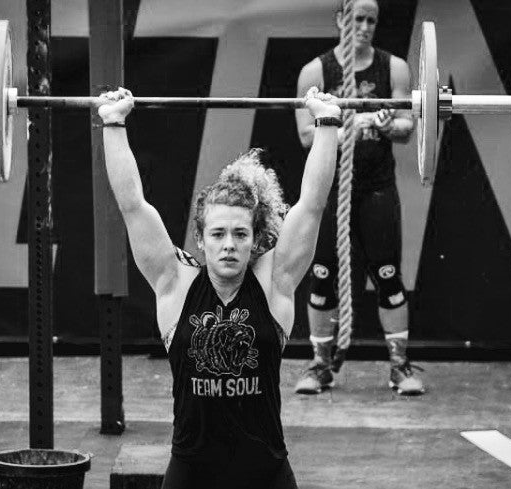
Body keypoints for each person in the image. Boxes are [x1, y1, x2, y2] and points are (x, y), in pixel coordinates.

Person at [98, 86, 339, 489]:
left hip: (265, 475)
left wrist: (327, 121)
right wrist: (113, 122)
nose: (229, 244)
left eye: (240, 234)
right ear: (200, 238)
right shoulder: (175, 283)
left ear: (255, 239)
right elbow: (132, 205)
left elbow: (312, 204)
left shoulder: (274, 282)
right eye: (218, 233)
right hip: (192, 475)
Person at [293, 0, 424, 396]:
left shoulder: (394, 68)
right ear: (340, 20)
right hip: (328, 190)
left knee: (388, 275)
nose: (364, 27)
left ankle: (399, 367)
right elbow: (306, 136)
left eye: (370, 20)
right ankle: (320, 366)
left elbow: (406, 127)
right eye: (356, 19)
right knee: (321, 276)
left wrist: (386, 125)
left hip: (376, 189)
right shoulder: (315, 72)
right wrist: (352, 120)